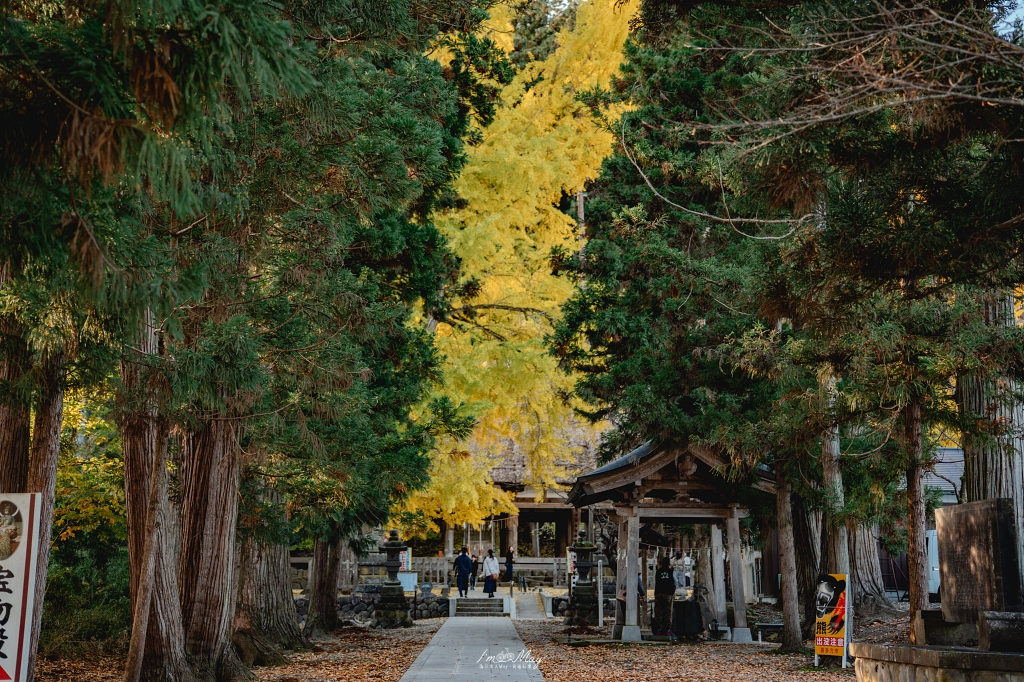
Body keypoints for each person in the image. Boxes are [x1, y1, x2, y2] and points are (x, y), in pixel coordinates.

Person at [654, 556, 675, 635]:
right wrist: (672, 591)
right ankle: (667, 629)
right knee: (668, 611)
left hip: (658, 593)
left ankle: (658, 629)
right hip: (668, 593)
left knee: (658, 611)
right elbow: (673, 582)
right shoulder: (670, 572)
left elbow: (656, 582)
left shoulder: (658, 571)